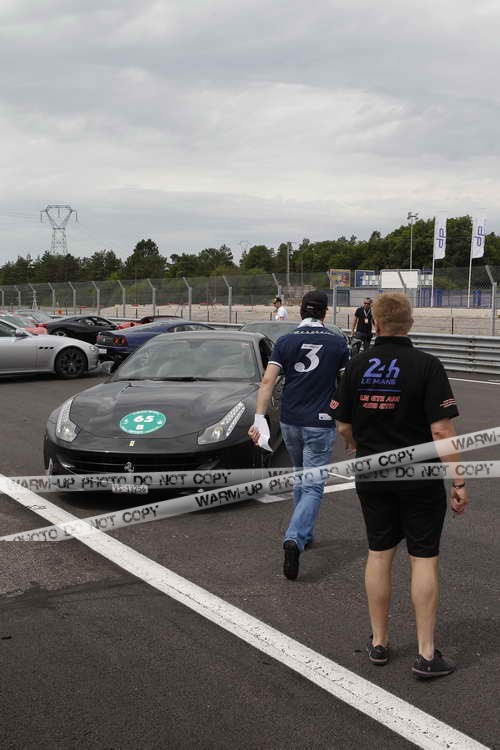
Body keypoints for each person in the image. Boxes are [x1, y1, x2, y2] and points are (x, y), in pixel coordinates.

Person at [330, 293, 468, 679]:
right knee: (423, 558)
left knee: (379, 553)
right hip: (419, 475)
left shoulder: (356, 365)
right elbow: (441, 430)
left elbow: (342, 425)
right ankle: (425, 653)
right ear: (410, 322)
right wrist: (459, 480)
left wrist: (355, 445)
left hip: (372, 471)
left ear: (374, 322)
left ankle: (379, 641)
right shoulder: (427, 365)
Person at [249, 290, 349, 580]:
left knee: (300, 475)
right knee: (313, 484)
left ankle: (304, 533)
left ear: (301, 311)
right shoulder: (337, 342)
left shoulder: (285, 341)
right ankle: (294, 536)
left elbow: (267, 381)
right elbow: (347, 383)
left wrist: (259, 417)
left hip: (291, 420)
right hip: (320, 420)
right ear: (325, 313)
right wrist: (346, 420)